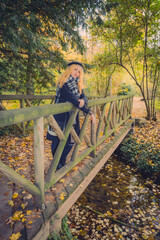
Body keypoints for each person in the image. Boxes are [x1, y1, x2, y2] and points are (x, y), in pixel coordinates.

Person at [46, 61, 95, 170]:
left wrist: (83, 101)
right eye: (75, 69)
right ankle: (56, 163)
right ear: (69, 70)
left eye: (79, 71)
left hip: (71, 117)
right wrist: (87, 109)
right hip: (59, 117)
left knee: (71, 141)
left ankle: (61, 160)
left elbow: (84, 98)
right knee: (57, 140)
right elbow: (73, 99)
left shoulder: (78, 85)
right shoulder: (63, 83)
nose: (77, 72)